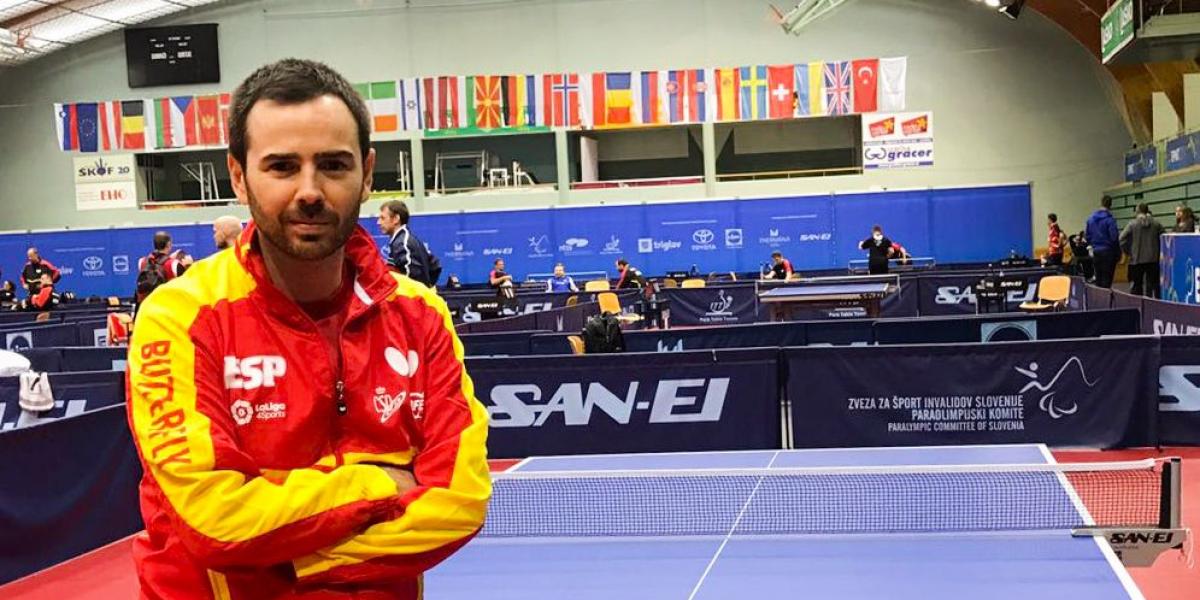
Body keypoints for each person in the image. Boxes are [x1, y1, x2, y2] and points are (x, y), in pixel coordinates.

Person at [125, 58, 490, 600]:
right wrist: (377, 483)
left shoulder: (420, 316)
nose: (310, 190)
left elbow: (459, 500)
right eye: (281, 166)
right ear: (237, 175)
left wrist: (291, 561)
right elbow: (214, 521)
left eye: (333, 165)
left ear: (367, 173)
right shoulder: (177, 317)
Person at [377, 199, 440, 287]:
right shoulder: (405, 239)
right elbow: (435, 265)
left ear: (396, 219)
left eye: (382, 218)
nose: (378, 222)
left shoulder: (403, 242)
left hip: (413, 299)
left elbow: (413, 277)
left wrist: (423, 292)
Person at [1120, 203, 1166, 298]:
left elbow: (1121, 239)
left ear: (1137, 211)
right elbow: (1164, 237)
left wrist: (1128, 251)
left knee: (1137, 285)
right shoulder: (1156, 224)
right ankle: (1158, 304)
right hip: (1153, 258)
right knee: (1154, 284)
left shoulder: (1132, 224)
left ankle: (1139, 305)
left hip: (1136, 259)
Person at [136, 231, 193, 303]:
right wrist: (189, 266)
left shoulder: (141, 262)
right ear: (169, 244)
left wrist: (170, 258)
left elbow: (157, 262)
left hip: (147, 308)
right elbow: (188, 286)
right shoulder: (174, 265)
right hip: (167, 308)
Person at [1085, 195, 1120, 288]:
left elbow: (1087, 236)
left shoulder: (1091, 219)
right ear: (1110, 205)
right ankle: (1106, 300)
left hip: (1096, 252)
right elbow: (1114, 237)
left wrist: (1092, 244)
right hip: (1108, 252)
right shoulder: (1110, 220)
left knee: (1098, 279)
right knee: (1107, 279)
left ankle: (1099, 300)